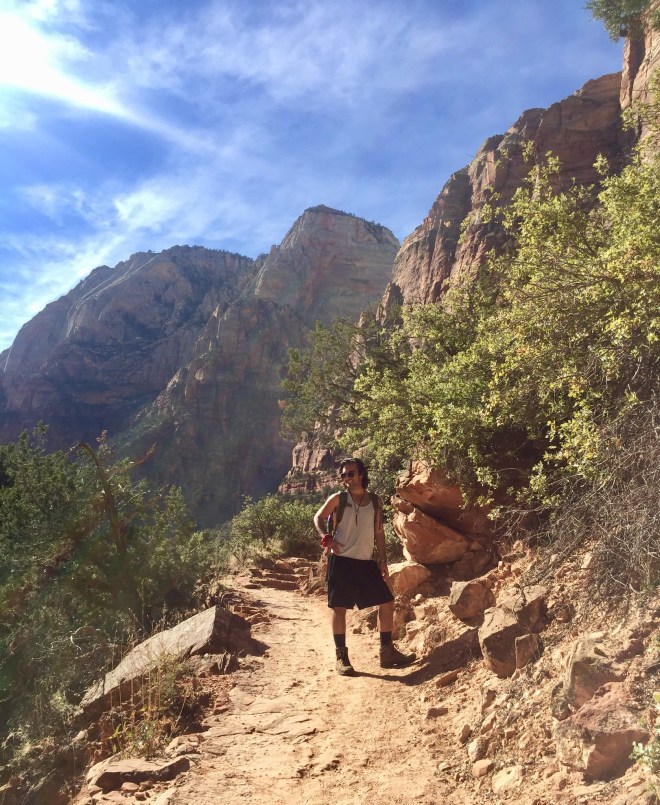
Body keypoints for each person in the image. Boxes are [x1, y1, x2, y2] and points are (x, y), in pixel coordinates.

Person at [313, 457, 415, 675]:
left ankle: (387, 653)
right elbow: (318, 518)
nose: (347, 478)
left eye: (351, 473)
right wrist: (327, 538)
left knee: (387, 602)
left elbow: (379, 532)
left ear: (361, 475)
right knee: (339, 609)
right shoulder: (338, 498)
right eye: (344, 475)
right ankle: (341, 658)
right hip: (341, 561)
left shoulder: (375, 501)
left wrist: (383, 560)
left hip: (366, 562)